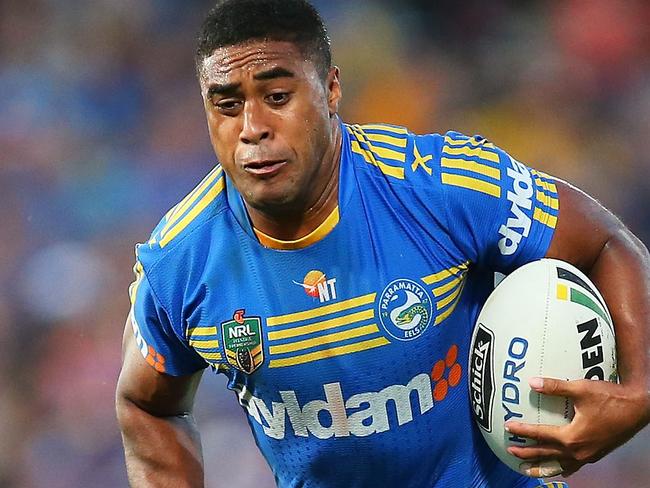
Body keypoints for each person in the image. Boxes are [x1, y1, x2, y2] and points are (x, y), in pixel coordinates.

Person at [115, 1, 650, 486]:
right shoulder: (179, 263)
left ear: (330, 89)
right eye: (227, 105)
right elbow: (146, 405)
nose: (252, 127)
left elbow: (604, 243)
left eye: (277, 96)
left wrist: (639, 396)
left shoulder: (438, 187)